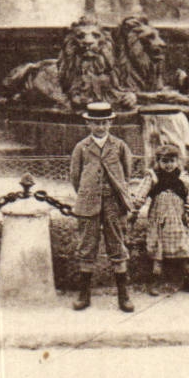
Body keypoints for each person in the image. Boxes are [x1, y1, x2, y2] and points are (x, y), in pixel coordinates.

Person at [68, 101, 134, 312]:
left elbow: (127, 172)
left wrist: (116, 192)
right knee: (87, 247)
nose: (100, 127)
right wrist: (88, 193)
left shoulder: (120, 146)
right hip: (89, 203)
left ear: (110, 123)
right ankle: (84, 294)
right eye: (95, 123)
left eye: (104, 123)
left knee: (117, 245)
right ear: (88, 124)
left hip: (113, 203)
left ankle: (123, 295)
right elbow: (75, 177)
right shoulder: (82, 147)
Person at [132, 143, 189, 295]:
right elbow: (140, 195)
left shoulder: (183, 179)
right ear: (158, 161)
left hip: (179, 218)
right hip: (159, 218)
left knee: (183, 247)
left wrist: (188, 212)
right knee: (158, 248)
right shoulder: (153, 177)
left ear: (178, 161)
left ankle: (187, 280)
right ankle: (155, 281)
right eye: (164, 161)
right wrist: (134, 210)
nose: (168, 165)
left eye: (171, 161)